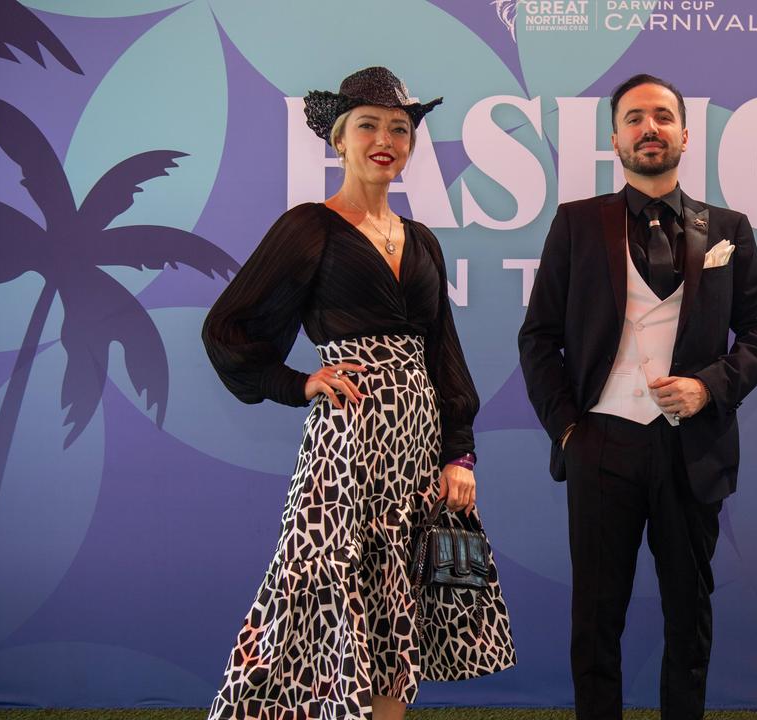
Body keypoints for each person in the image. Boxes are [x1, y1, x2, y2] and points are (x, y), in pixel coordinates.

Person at [202, 67, 515, 720]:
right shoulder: (308, 228)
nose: (386, 138)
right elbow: (226, 329)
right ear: (339, 139)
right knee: (326, 603)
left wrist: (459, 453)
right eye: (368, 125)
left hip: (416, 452)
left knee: (399, 605)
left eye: (400, 127)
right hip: (345, 454)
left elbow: (444, 355)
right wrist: (299, 382)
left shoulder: (423, 240)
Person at [518, 74, 757, 720]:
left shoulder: (727, 228)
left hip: (691, 451)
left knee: (689, 615)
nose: (649, 129)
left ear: (685, 135)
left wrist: (708, 387)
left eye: (662, 117)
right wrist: (569, 432)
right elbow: (538, 338)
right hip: (600, 446)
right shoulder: (577, 223)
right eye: (635, 118)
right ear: (615, 138)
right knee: (596, 621)